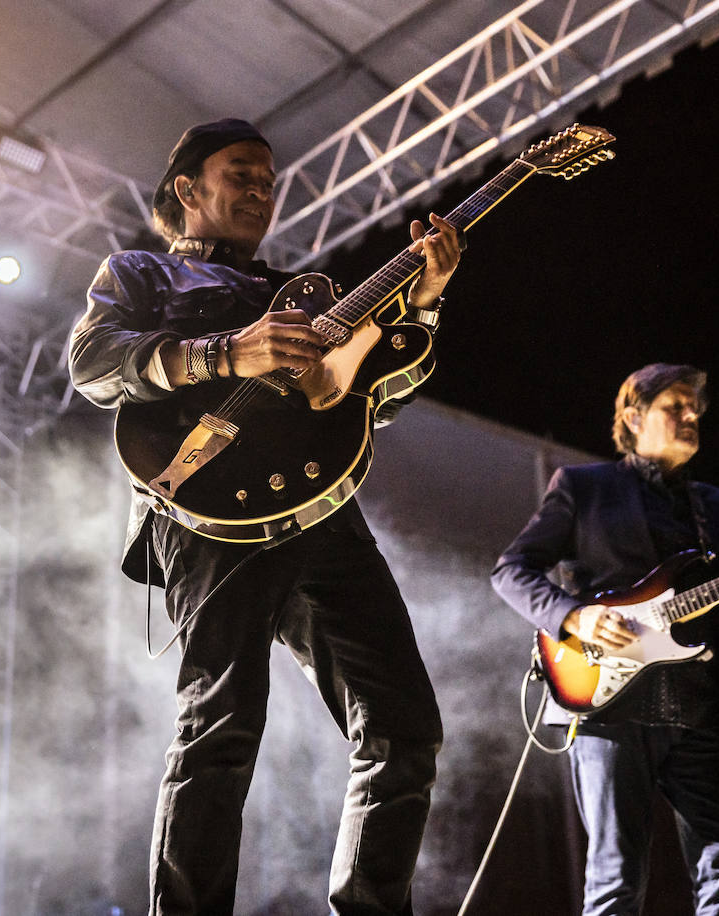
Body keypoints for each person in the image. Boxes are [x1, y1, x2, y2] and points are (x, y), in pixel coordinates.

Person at [69, 118, 462, 916]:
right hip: (207, 519)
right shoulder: (142, 273)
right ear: (188, 189)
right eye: (242, 173)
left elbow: (377, 398)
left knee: (405, 726)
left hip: (324, 516)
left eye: (269, 179)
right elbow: (92, 362)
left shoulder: (307, 291)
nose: (262, 189)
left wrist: (423, 304)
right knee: (221, 727)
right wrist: (225, 354)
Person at [490, 362, 719, 915]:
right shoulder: (584, 487)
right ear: (633, 417)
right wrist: (575, 617)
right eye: (675, 406)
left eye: (695, 409)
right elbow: (511, 571)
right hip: (607, 702)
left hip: (699, 704)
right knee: (617, 879)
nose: (691, 416)